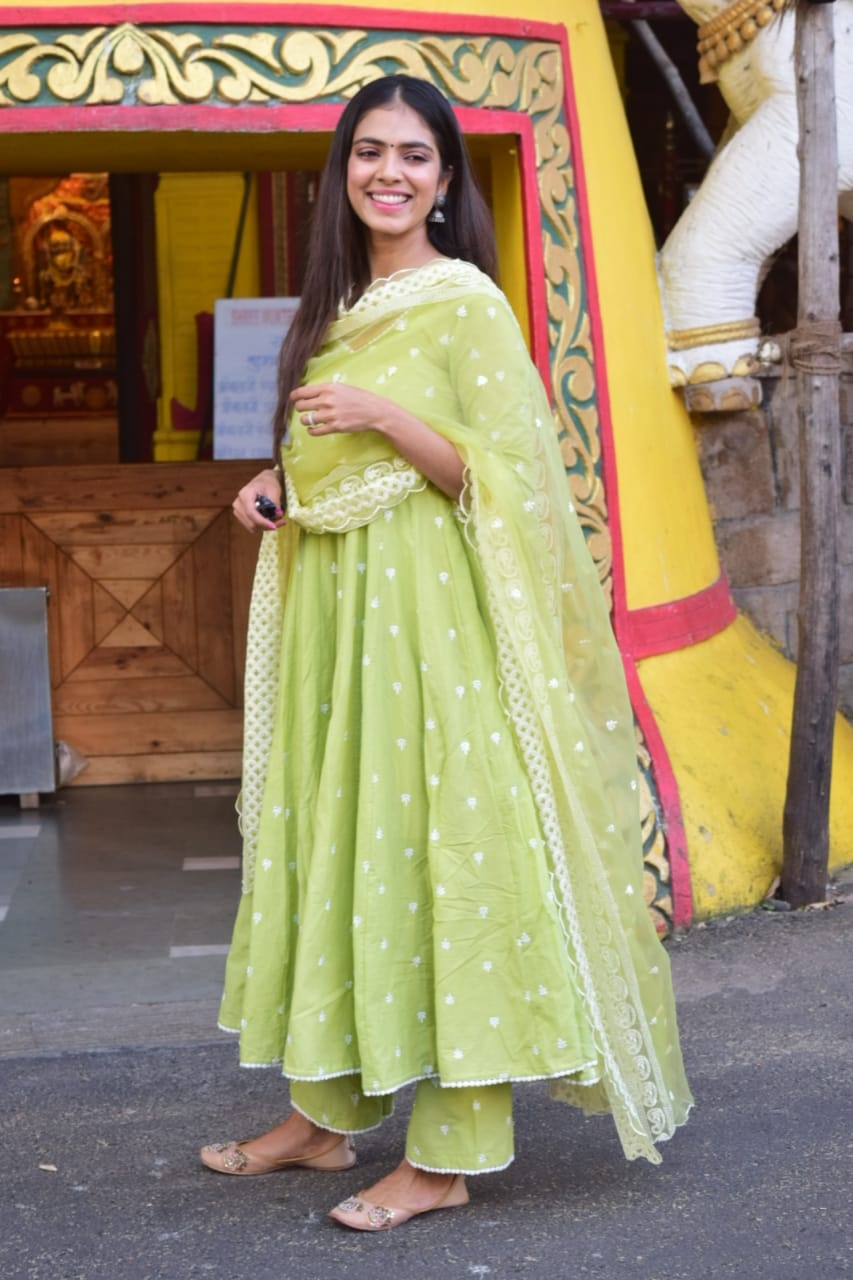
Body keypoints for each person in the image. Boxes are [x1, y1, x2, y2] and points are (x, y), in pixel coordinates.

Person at [203, 73, 692, 1232]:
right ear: (343, 171)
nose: (389, 173)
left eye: (415, 157)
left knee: (444, 856)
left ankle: (451, 1148)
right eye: (370, 153)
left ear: (443, 178)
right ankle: (324, 1114)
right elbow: (326, 458)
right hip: (340, 621)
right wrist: (275, 485)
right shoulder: (337, 304)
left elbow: (510, 481)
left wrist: (386, 418)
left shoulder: (462, 299)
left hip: (430, 634)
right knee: (338, 847)